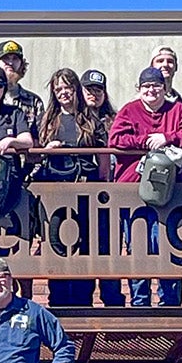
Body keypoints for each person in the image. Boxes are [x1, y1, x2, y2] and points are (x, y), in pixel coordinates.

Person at [108, 66, 182, 307]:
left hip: (170, 193)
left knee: (167, 246)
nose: (151, 91)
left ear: (164, 88)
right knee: (137, 249)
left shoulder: (178, 110)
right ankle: (140, 304)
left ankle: (170, 305)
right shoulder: (128, 111)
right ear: (139, 89)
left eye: (156, 86)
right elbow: (115, 139)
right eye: (146, 86)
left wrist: (167, 137)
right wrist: (146, 142)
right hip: (133, 191)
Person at [33, 68, 102, 307]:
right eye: (58, 89)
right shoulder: (48, 120)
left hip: (86, 190)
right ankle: (59, 302)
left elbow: (102, 160)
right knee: (56, 245)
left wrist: (105, 186)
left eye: (67, 88)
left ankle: (84, 302)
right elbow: (32, 156)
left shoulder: (91, 119)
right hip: (55, 192)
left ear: (76, 90)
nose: (63, 93)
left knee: (86, 246)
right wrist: (46, 150)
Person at [80, 69, 123, 309]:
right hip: (84, 194)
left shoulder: (114, 119)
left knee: (109, 249)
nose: (93, 94)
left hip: (111, 195)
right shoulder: (76, 119)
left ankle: (114, 304)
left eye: (98, 90)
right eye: (89, 90)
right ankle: (83, 304)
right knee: (85, 247)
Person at [0, 40, 44, 122]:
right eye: (6, 58)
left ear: (22, 64)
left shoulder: (34, 101)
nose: (10, 63)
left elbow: (42, 133)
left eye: (15, 59)